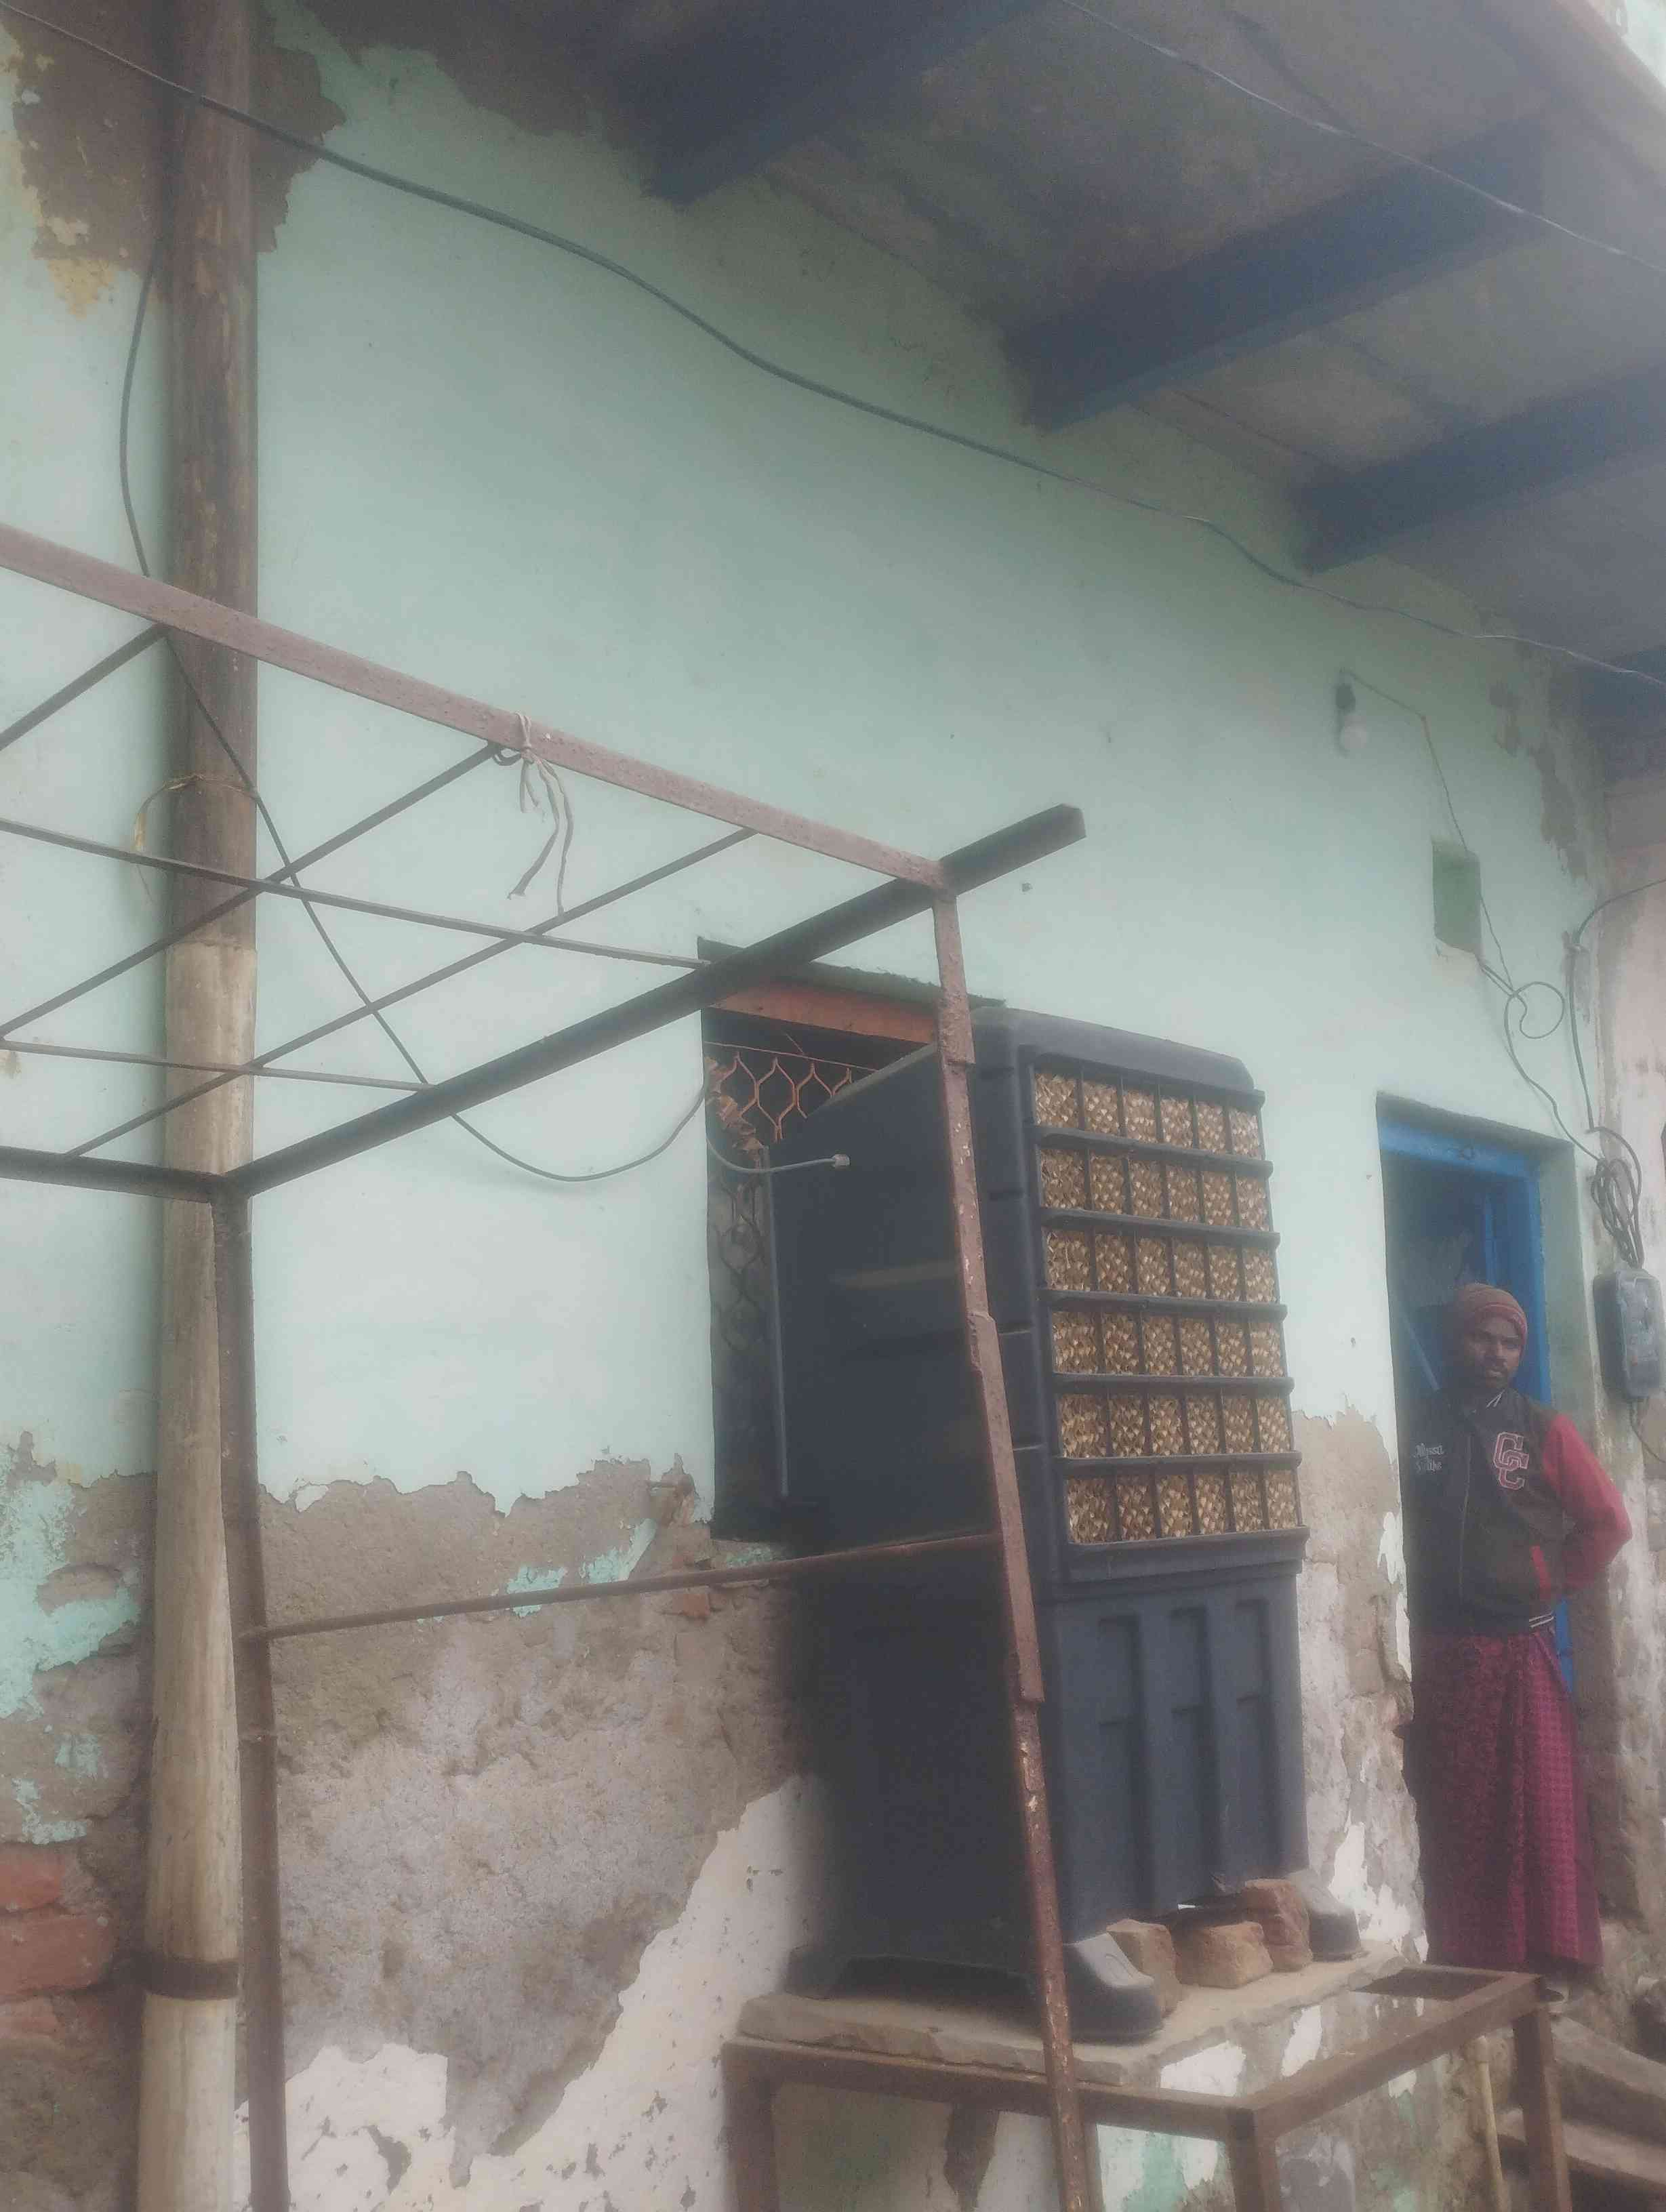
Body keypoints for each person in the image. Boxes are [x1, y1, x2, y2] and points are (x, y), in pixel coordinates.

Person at [1400, 1282, 1631, 1982]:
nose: (1495, 1354)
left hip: (1519, 1646)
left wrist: (1548, 1580)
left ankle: (1550, 1957)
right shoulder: (1416, 1425)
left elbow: (1607, 1522)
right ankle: (1471, 1958)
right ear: (1455, 1340)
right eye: (1482, 1338)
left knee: (1540, 1807)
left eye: (1509, 1343)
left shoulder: (1541, 1429)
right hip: (1445, 1650)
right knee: (1463, 1808)